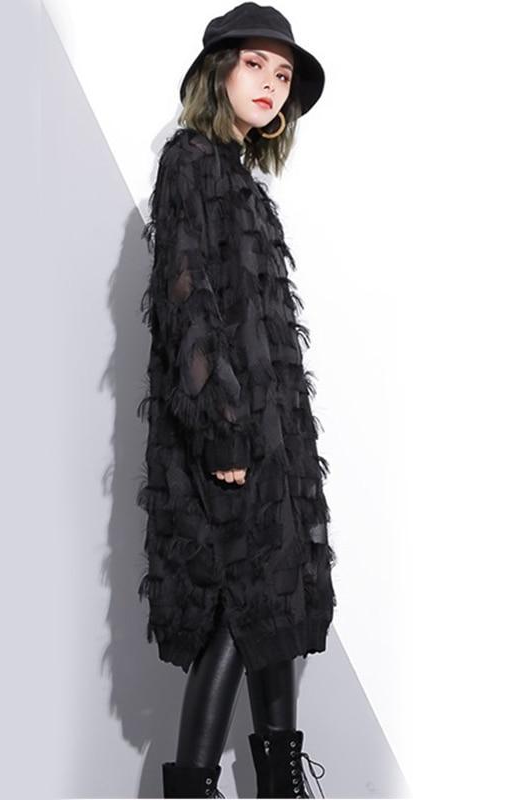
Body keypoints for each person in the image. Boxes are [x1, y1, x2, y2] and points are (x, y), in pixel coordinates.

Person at [135, 4, 336, 797]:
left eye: (282, 75)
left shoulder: (243, 182)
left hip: (274, 438)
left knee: (276, 603)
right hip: (229, 439)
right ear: (218, 72)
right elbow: (189, 303)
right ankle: (191, 787)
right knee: (233, 609)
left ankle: (281, 786)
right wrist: (223, 432)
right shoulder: (190, 160)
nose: (271, 84)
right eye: (256, 64)